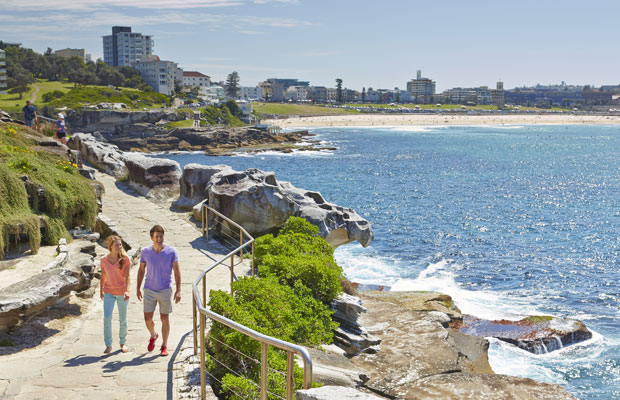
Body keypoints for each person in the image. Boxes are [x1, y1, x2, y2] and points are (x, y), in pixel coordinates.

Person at [136, 225, 181, 357]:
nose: (159, 239)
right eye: (156, 236)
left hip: (165, 290)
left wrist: (178, 290)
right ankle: (153, 335)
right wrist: (138, 288)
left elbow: (177, 272)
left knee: (164, 318)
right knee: (147, 319)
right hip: (149, 290)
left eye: (161, 236)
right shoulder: (145, 252)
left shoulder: (171, 252)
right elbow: (141, 271)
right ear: (151, 237)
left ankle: (164, 346)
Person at [100, 235, 131, 354]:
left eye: (120, 244)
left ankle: (123, 342)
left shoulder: (125, 259)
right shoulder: (103, 260)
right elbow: (103, 275)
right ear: (110, 247)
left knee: (123, 320)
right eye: (116, 245)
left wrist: (127, 290)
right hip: (108, 292)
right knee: (107, 318)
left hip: (122, 293)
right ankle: (108, 345)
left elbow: (128, 277)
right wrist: (100, 290)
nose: (119, 247)